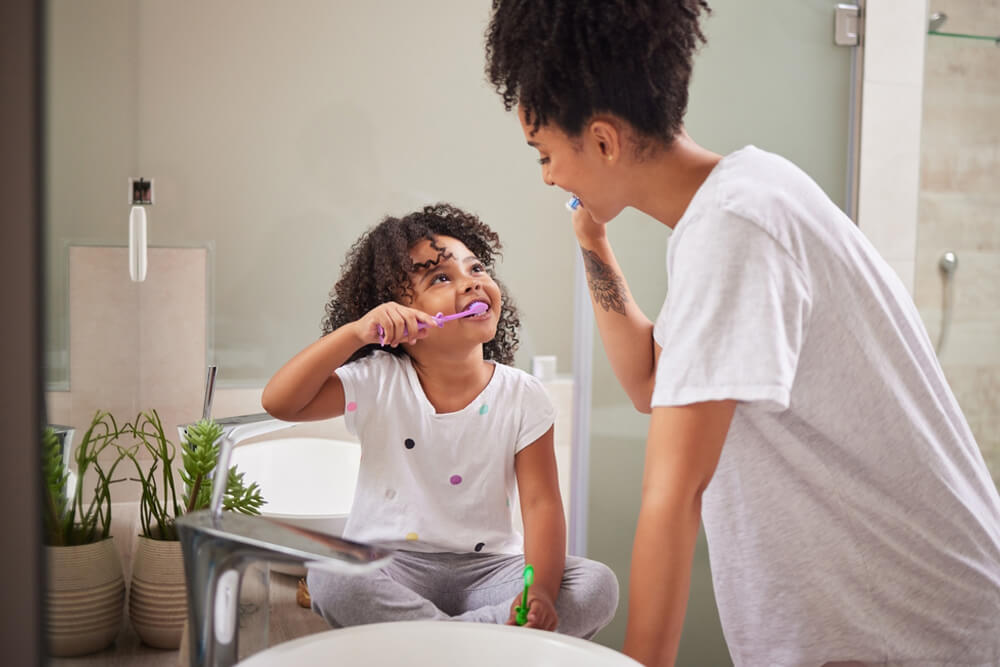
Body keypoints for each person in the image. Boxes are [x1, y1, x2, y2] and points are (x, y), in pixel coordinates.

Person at [484, 2, 1000, 666]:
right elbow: (649, 380)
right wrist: (592, 239)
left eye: (546, 155)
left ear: (604, 141)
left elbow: (672, 494)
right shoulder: (740, 201)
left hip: (915, 630)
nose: (551, 175)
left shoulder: (735, 230)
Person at [261, 203, 618, 638]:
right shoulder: (377, 380)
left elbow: (542, 505)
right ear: (396, 310)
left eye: (476, 268)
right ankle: (476, 644)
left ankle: (433, 643)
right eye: (442, 278)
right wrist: (355, 333)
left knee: (596, 584)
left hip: (490, 573)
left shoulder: (523, 395)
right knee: (330, 577)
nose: (471, 282)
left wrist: (538, 590)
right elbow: (281, 402)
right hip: (390, 565)